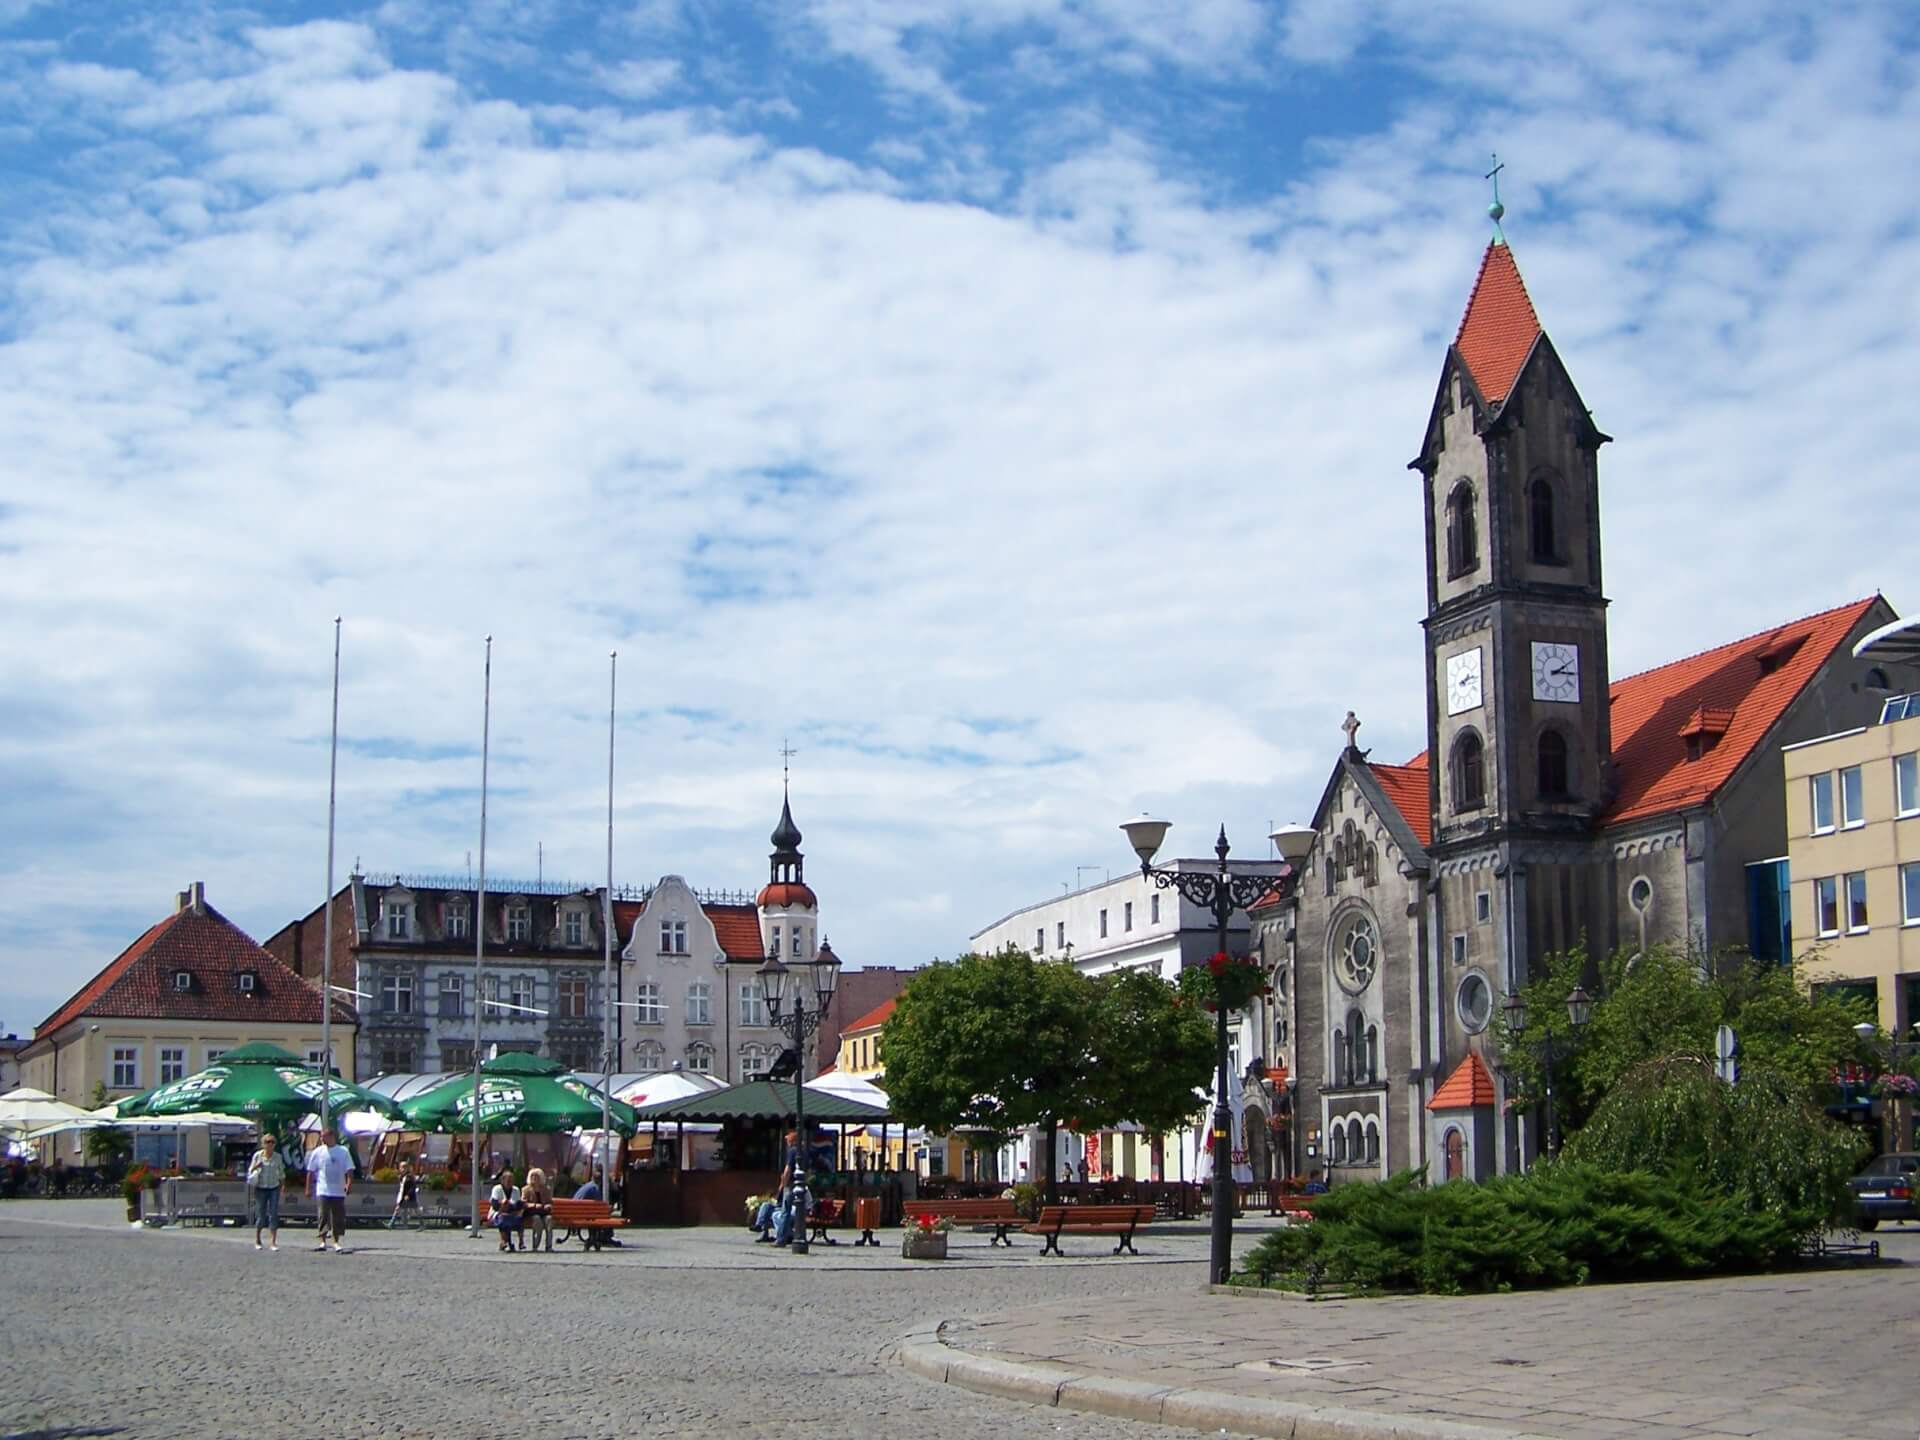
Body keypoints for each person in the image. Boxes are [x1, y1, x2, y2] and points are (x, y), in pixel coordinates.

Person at [304, 1126, 354, 1253]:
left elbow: (349, 1170)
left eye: (323, 1136)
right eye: (321, 1136)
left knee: (338, 1216)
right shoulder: (318, 1151)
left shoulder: (343, 1151)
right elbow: (310, 1171)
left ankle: (336, 1241)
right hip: (323, 1189)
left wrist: (349, 1184)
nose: (322, 1138)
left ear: (331, 1136)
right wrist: (308, 1188)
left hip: (338, 1190)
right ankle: (322, 1241)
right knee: (323, 1215)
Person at [247, 1133, 287, 1251]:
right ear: (263, 1144)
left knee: (273, 1213)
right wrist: (256, 1166)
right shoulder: (257, 1156)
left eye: (272, 1142)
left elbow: (281, 1172)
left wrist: (283, 1185)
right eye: (267, 1142)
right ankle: (258, 1240)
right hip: (261, 1187)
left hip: (274, 1187)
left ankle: (273, 1242)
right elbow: (250, 1171)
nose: (270, 1144)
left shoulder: (278, 1157)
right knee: (260, 1214)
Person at [489, 1168, 525, 1253]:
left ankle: (521, 1242)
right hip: (497, 1213)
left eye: (511, 1180)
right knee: (504, 1218)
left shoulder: (516, 1190)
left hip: (512, 1213)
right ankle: (504, 1241)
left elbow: (518, 1205)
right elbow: (495, 1205)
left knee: (518, 1219)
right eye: (508, 1180)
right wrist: (505, 1206)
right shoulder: (497, 1189)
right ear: (502, 1180)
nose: (510, 1182)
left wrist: (508, 1205)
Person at [521, 1167, 554, 1252]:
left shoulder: (546, 1189)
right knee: (537, 1220)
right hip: (532, 1212)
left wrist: (548, 1205)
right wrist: (535, 1205)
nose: (534, 1179)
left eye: (537, 1177)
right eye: (532, 1176)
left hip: (544, 1211)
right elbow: (523, 1203)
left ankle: (549, 1246)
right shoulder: (526, 1189)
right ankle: (535, 1246)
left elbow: (550, 1202)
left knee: (549, 1220)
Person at [391, 1161, 422, 1230]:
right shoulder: (402, 1177)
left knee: (416, 1210)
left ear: (408, 1168)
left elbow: (412, 1187)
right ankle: (391, 1223)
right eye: (402, 1167)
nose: (403, 1169)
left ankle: (422, 1224)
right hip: (404, 1196)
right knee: (397, 1209)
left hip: (410, 1197)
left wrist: (408, 1194)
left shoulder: (409, 1177)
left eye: (405, 1167)